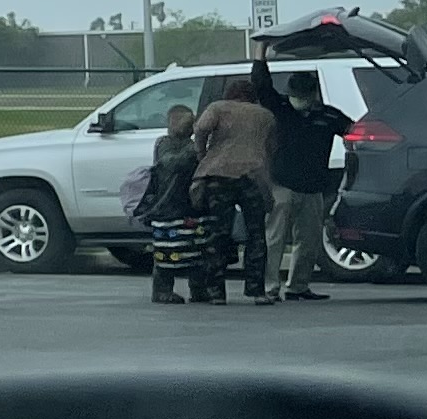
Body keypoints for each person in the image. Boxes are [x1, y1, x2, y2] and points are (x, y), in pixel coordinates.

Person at [254, 64, 350, 302]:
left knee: (309, 240)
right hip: (282, 184)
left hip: (313, 186)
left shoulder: (329, 116)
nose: (299, 100)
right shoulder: (281, 109)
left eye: (303, 96)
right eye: (295, 95)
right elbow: (261, 84)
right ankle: (269, 287)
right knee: (274, 239)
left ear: (314, 94)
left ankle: (298, 286)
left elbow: (354, 130)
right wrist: (260, 55)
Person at [189, 65, 278, 303]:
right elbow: (271, 148)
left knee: (218, 233)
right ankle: (256, 290)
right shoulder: (265, 115)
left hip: (219, 174)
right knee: (256, 234)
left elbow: (200, 129)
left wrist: (202, 154)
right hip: (253, 176)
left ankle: (216, 291)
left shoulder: (218, 107)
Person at [136, 101, 215, 304]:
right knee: (166, 252)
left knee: (196, 249)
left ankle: (198, 288)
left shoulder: (193, 145)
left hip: (191, 207)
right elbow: (171, 162)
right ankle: (162, 290)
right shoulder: (164, 144)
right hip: (168, 206)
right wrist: (195, 151)